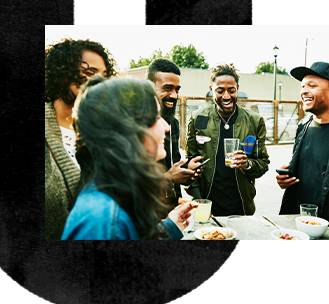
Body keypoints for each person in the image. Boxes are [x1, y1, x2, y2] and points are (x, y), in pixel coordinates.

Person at [61, 76, 194, 239]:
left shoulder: (118, 196)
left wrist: (169, 227)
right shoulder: (102, 220)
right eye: (155, 118)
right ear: (124, 130)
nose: (166, 127)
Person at [44, 37, 116, 239]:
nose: (98, 83)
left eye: (103, 77)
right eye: (89, 73)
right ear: (63, 72)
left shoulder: (101, 132)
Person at [183, 63, 270, 217]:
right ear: (211, 90)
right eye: (220, 91)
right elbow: (190, 163)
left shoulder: (255, 121)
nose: (226, 96)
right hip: (207, 205)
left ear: (237, 88)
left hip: (242, 206)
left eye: (231, 90)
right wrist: (197, 199)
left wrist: (247, 164)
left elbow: (263, 164)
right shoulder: (199, 118)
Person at [278, 62, 329, 228]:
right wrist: (286, 178)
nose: (303, 91)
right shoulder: (304, 125)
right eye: (302, 86)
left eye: (312, 85)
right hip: (297, 221)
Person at [147, 58, 206, 204]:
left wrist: (187, 169)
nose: (174, 95)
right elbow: (128, 183)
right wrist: (168, 178)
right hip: (146, 214)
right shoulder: (134, 123)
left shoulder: (173, 122)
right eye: (167, 88)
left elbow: (173, 162)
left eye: (177, 89)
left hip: (173, 208)